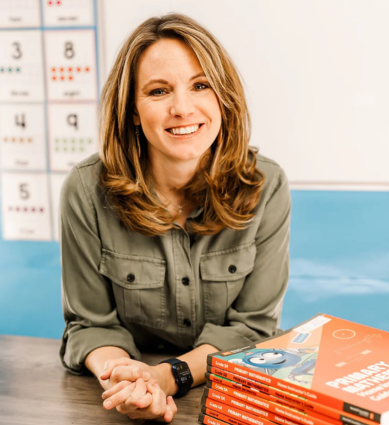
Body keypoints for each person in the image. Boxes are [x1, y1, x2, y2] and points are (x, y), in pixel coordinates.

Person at [59, 12, 291, 423]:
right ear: (132, 109)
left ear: (223, 97)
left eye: (200, 85)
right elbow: (90, 326)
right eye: (158, 91)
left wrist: (166, 378)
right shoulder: (85, 191)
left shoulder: (265, 184)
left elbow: (253, 330)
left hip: (226, 395)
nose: (182, 108)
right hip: (131, 387)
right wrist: (124, 380)